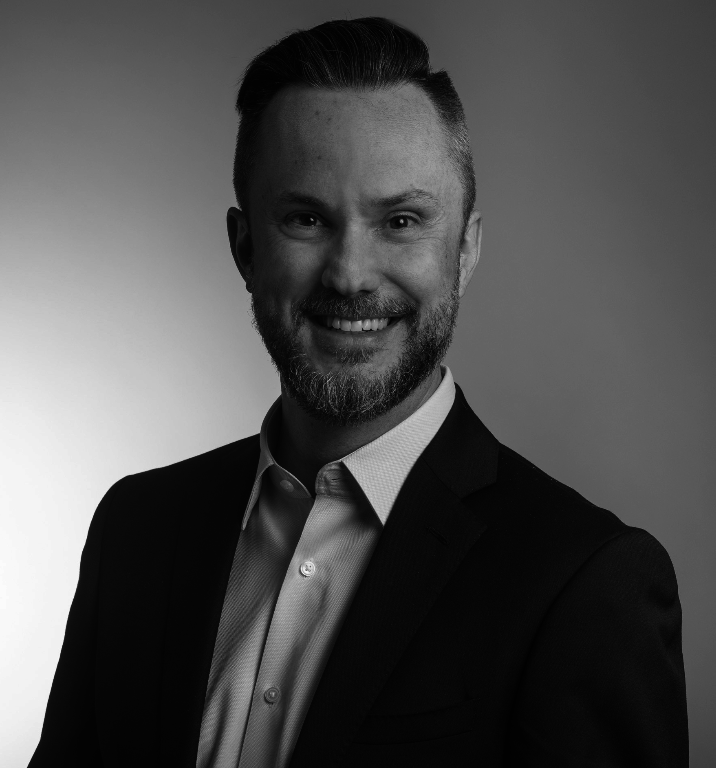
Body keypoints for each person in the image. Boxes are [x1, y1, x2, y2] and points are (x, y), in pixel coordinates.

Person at [29, 17, 688, 768]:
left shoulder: (583, 582)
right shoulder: (136, 532)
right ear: (245, 248)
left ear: (465, 249)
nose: (350, 274)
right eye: (307, 218)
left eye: (400, 220)